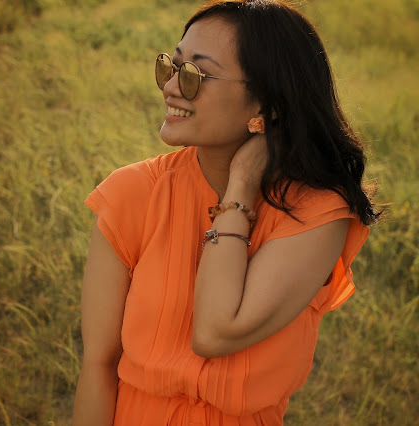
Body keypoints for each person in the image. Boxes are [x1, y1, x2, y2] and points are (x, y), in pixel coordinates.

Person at [72, 0, 378, 424]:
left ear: (266, 106)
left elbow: (216, 331)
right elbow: (99, 366)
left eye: (197, 74)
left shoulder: (315, 213)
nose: (172, 87)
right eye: (171, 66)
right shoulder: (132, 194)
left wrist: (240, 188)